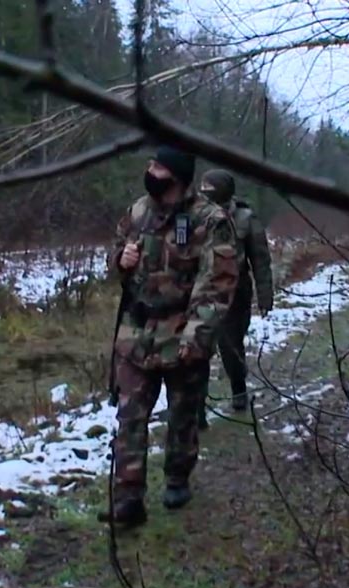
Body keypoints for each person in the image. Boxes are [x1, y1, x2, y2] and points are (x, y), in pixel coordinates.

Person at [99, 146, 239, 527]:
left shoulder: (210, 220)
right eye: (149, 163)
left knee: (181, 417)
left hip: (182, 333)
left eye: (157, 166)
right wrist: (120, 261)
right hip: (137, 334)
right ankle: (128, 499)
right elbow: (116, 253)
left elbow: (218, 283)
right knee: (129, 417)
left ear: (175, 174)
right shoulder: (138, 212)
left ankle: (178, 476)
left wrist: (195, 337)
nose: (150, 170)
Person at [195, 169, 273, 427]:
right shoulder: (192, 215)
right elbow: (181, 251)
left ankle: (239, 390)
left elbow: (260, 260)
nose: (205, 191)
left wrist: (265, 295)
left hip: (235, 293)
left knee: (231, 347)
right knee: (197, 349)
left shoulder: (245, 217)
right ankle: (197, 408)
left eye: (211, 186)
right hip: (199, 293)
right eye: (203, 186)